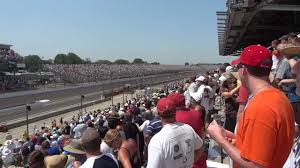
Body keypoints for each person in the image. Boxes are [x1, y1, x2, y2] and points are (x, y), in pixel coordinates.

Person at [207, 45, 295, 168]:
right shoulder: (280, 97)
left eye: (238, 67)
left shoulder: (260, 107)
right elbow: (268, 146)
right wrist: (238, 139)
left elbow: (255, 165)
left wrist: (220, 140)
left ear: (244, 70)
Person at [147, 98, 203, 168]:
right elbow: (200, 148)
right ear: (175, 111)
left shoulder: (157, 141)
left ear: (158, 114)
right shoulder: (188, 128)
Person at [168, 92, 206, 168]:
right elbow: (203, 134)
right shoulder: (196, 113)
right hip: (198, 158)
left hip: (183, 162)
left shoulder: (173, 118)